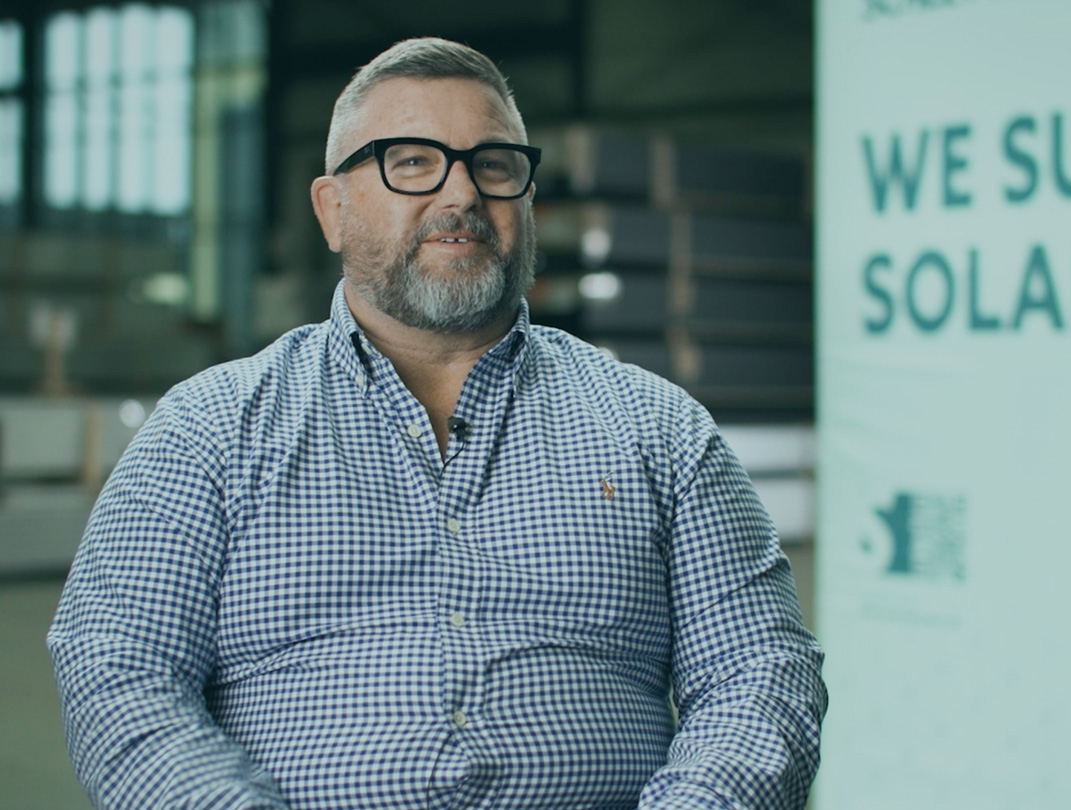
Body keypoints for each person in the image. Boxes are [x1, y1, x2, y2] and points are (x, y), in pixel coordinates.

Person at [49, 37, 826, 810]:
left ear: (526, 197)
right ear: (332, 208)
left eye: (493, 164)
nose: (460, 194)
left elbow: (761, 670)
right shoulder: (208, 430)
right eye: (412, 161)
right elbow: (117, 670)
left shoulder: (660, 430)